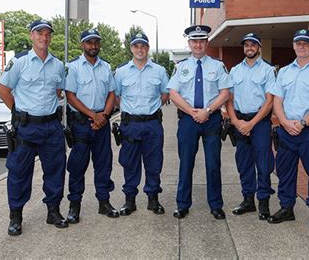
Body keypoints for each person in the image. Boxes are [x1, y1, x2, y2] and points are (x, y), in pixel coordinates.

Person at [0, 19, 67, 235]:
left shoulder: (57, 64)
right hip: (26, 128)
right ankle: (16, 216)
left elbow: (58, 92)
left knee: (56, 171)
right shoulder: (19, 62)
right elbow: (3, 91)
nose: (44, 37)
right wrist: (19, 114)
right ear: (31, 35)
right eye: (39, 33)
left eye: (47, 34)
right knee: (19, 172)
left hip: (51, 127)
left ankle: (53, 211)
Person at [268, 29, 309, 231]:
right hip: (286, 130)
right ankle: (286, 208)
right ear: (294, 46)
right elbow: (277, 101)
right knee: (285, 172)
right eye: (298, 42)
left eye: (306, 42)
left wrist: (303, 123)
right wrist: (284, 122)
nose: (302, 46)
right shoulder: (284, 72)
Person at [167, 25, 232, 220]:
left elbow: (225, 92)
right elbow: (173, 93)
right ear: (189, 43)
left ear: (207, 43)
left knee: (213, 164)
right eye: (194, 41)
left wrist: (208, 111)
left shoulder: (217, 66)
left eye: (202, 41)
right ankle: (182, 204)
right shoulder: (181, 67)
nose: (198, 44)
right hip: (188, 120)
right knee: (186, 163)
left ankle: (216, 205)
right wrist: (192, 112)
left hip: (211, 120)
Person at [64, 29, 119, 223]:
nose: (93, 46)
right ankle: (74, 205)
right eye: (89, 42)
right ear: (82, 45)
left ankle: (104, 202)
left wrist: (103, 115)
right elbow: (70, 96)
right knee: (77, 166)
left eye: (96, 42)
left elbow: (112, 94)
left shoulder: (106, 67)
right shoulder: (73, 67)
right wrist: (93, 115)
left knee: (103, 165)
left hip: (102, 123)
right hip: (80, 124)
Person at [114, 33, 169, 216]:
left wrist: (149, 109)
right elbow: (116, 97)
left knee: (154, 163)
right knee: (130, 163)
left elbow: (165, 95)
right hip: (131, 124)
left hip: (152, 123)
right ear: (131, 48)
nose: (140, 49)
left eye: (143, 46)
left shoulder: (159, 70)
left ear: (148, 48)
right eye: (136, 46)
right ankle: (130, 200)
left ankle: (153, 198)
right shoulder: (121, 72)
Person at [225, 32, 276, 220]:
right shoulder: (235, 71)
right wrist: (236, 122)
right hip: (240, 122)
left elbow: (269, 101)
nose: (249, 48)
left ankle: (263, 202)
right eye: (246, 45)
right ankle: (248, 201)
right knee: (244, 163)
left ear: (259, 48)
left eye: (253, 45)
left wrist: (252, 123)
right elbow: (228, 99)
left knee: (263, 164)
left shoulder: (268, 70)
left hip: (260, 122)